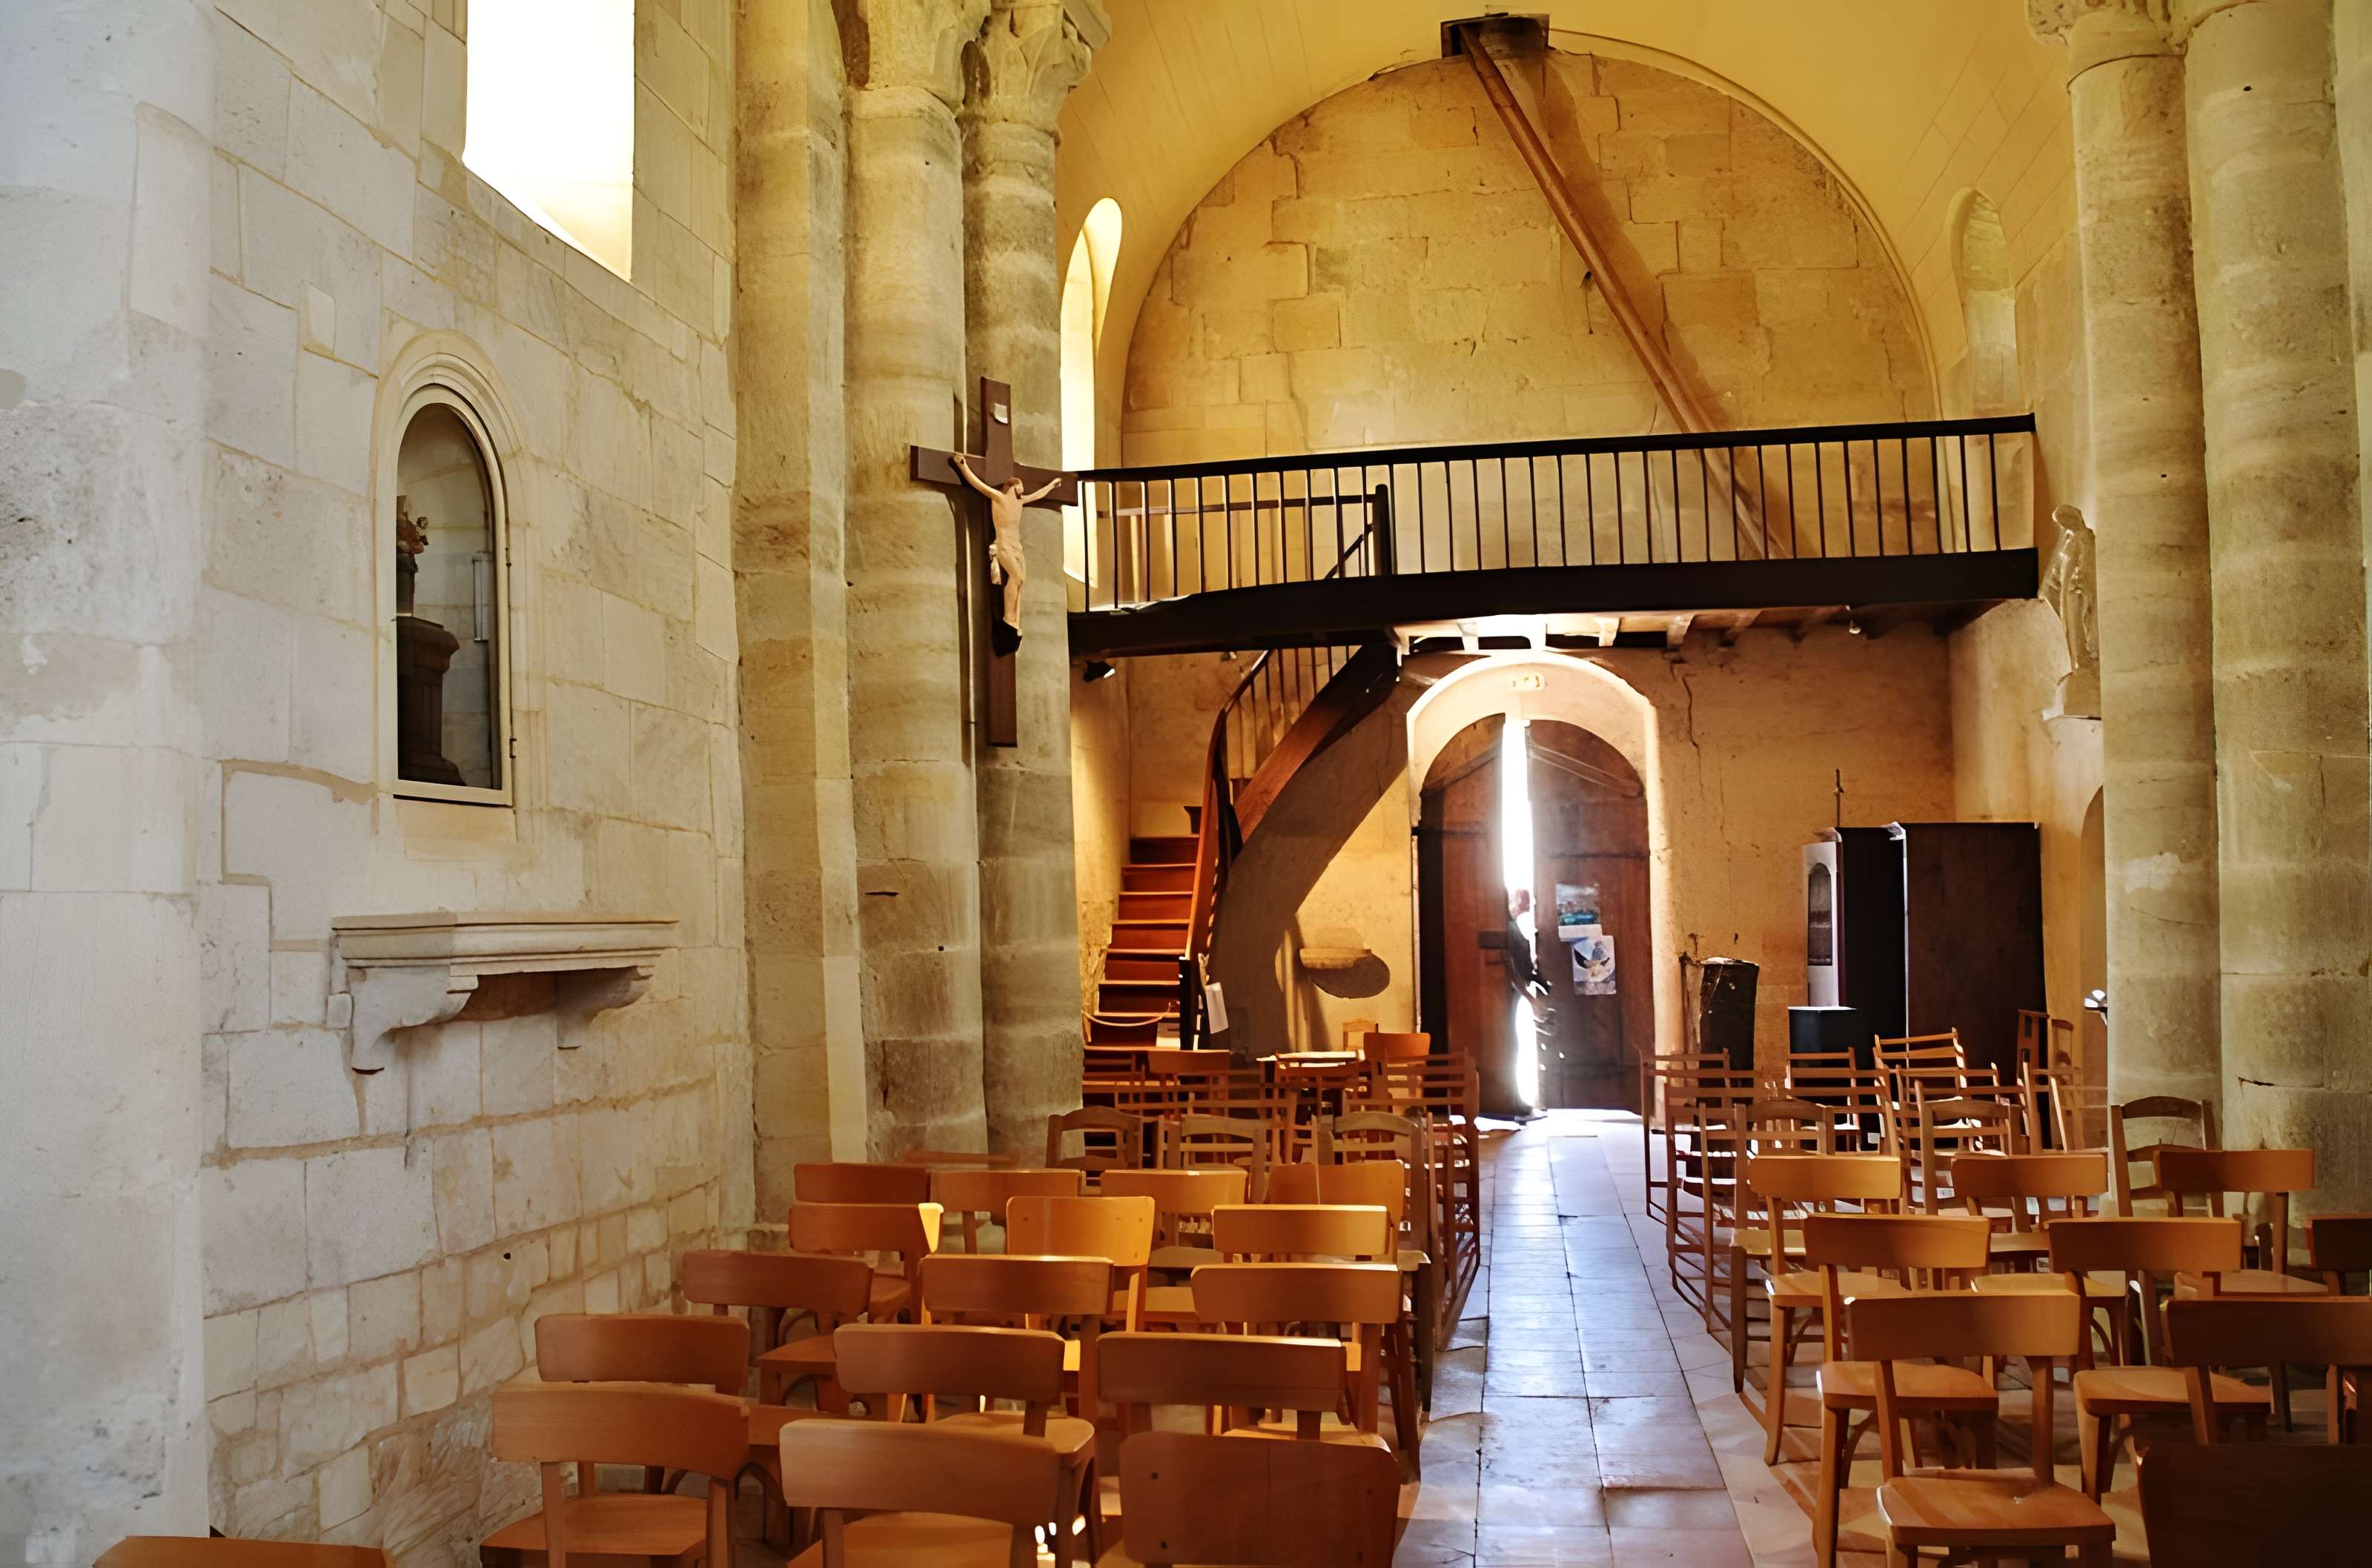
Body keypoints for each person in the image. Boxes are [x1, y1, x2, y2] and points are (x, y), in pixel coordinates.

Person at [952, 453, 1064, 652]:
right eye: (1018, 489)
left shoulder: (1019, 502)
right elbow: (977, 484)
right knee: (1016, 577)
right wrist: (963, 466)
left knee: (1021, 581)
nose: (1021, 493)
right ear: (1010, 487)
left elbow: (1037, 495)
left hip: (1017, 547)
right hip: (1003, 546)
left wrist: (1052, 486)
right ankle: (1008, 618)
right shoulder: (999, 498)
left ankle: (1015, 621)